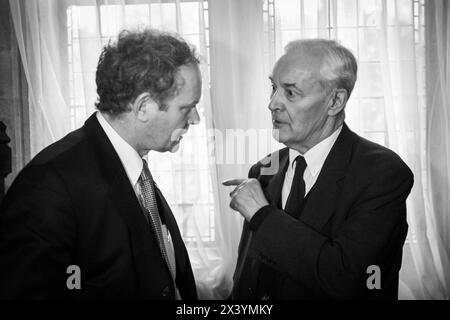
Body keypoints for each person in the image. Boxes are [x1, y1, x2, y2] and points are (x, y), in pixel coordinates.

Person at [0, 29, 201, 299]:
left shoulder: (133, 167)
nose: (196, 118)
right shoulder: (48, 186)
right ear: (143, 107)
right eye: (187, 108)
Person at [224, 39, 414, 300]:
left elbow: (350, 279)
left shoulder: (383, 174)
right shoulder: (263, 170)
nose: (272, 103)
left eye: (290, 92)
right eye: (274, 88)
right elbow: (249, 275)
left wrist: (262, 214)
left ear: (335, 101)